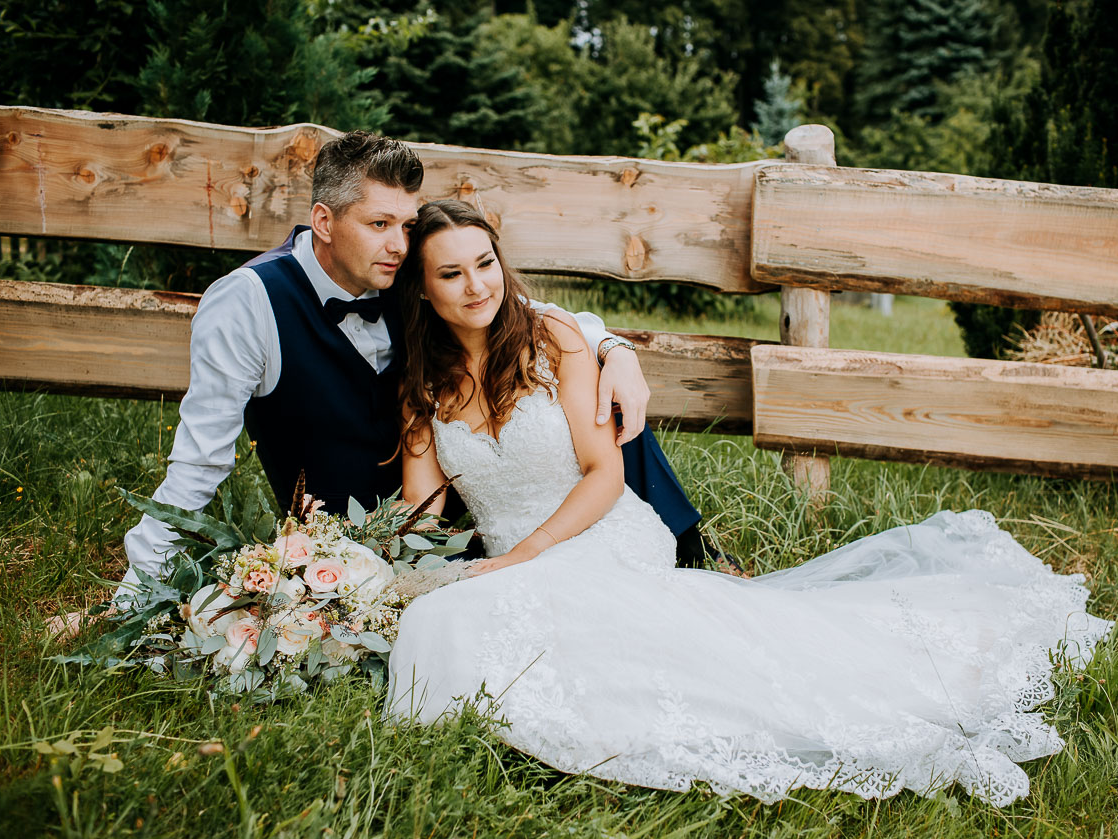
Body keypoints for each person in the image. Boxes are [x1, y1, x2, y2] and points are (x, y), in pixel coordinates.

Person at [382, 199, 1114, 807]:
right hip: (513, 560)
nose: (478, 285)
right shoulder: (423, 382)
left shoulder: (555, 339)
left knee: (607, 641)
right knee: (436, 618)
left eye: (486, 264)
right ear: (422, 290)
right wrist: (367, 574)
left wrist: (525, 555)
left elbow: (605, 473)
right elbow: (422, 511)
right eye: (451, 273)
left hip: (593, 533)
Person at [114, 131, 715, 604]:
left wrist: (614, 348)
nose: (399, 244)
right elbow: (197, 465)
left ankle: (691, 551)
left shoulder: (412, 267)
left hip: (500, 524)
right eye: (379, 224)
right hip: (375, 534)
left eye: (405, 225)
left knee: (598, 416)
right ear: (324, 222)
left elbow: (517, 314)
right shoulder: (247, 304)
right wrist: (133, 596)